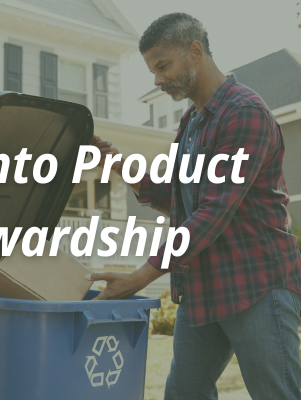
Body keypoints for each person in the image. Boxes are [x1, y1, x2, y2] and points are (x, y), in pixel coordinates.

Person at [86, 12, 301, 400]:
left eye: (163, 66)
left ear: (195, 52)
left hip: (255, 286)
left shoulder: (243, 113)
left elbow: (211, 214)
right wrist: (119, 164)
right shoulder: (191, 123)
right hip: (204, 289)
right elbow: (179, 199)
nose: (157, 79)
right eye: (153, 70)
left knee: (277, 393)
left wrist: (140, 277)